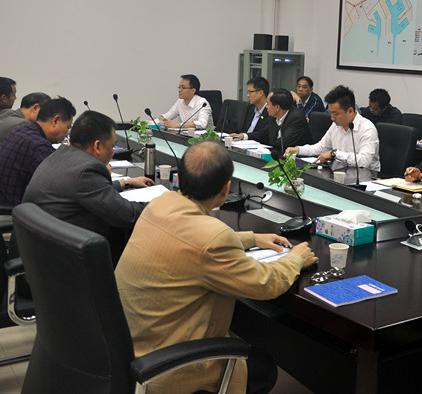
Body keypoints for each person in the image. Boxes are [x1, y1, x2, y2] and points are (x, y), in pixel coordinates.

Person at [115, 141, 317, 394]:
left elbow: (191, 242)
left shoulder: (159, 204)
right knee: (263, 367)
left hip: (131, 348)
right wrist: (295, 258)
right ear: (226, 189)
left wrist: (252, 238)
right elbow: (266, 284)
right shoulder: (213, 238)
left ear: (180, 179)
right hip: (166, 367)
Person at [23, 110, 154, 261]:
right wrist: (162, 203)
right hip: (63, 259)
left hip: (37, 250)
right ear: (97, 146)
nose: (112, 152)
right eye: (112, 146)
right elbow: (127, 215)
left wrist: (125, 182)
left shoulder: (62, 155)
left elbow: (84, 191)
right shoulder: (87, 171)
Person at [0, 97, 76, 206]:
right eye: (67, 127)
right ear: (55, 121)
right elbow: (63, 182)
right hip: (12, 211)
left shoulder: (20, 131)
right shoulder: (38, 145)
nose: (67, 134)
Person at [285, 85, 380, 171]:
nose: (332, 118)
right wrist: (298, 150)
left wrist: (334, 153)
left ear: (350, 111)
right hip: (340, 172)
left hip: (366, 177)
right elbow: (321, 147)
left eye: (336, 114)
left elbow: (364, 161)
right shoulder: (336, 125)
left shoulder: (367, 129)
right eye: (331, 113)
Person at [0, 92, 51, 174]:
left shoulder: (7, 114)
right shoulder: (22, 124)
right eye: (46, 114)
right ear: (35, 108)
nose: (46, 119)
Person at [241, 89, 313, 151]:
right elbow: (264, 133)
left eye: (268, 104)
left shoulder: (296, 118)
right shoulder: (274, 115)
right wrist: (244, 136)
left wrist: (264, 148)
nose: (266, 107)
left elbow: (284, 142)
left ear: (277, 107)